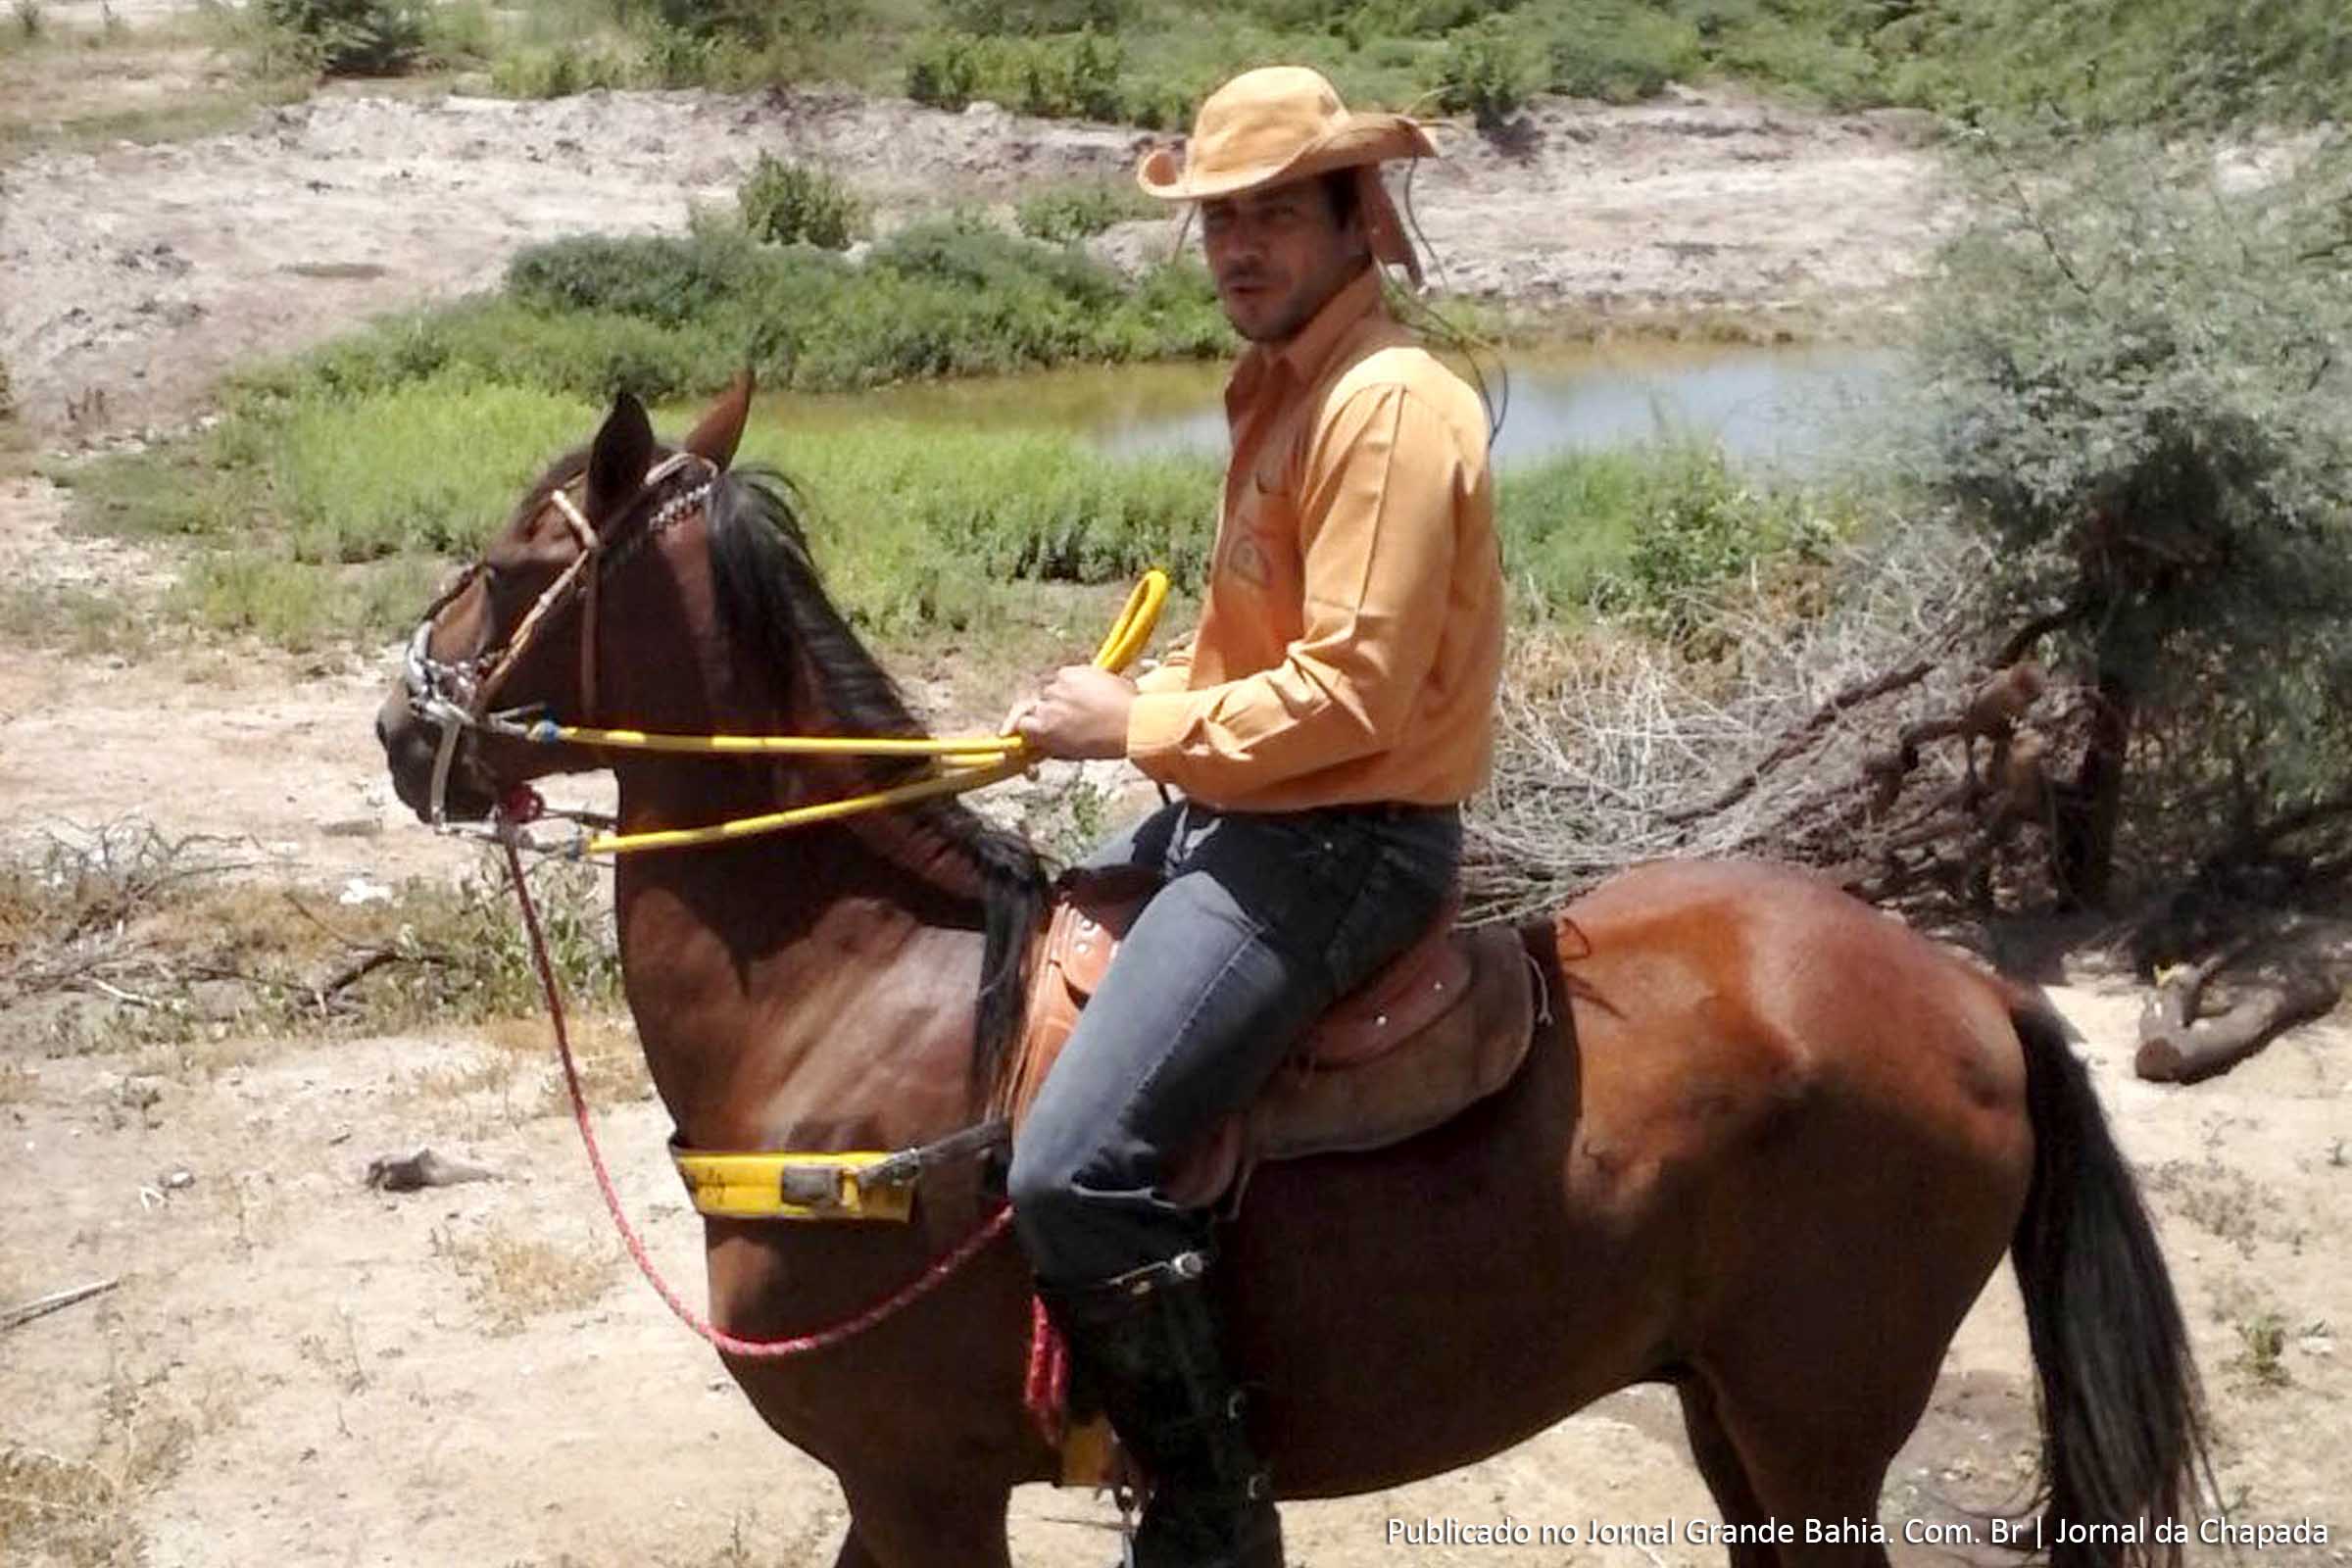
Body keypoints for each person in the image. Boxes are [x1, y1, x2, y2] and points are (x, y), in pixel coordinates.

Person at [1001, 63, 1505, 1568]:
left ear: (1358, 216)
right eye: (1220, 219)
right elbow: (1287, 652)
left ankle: (1216, 1517)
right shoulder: (1286, 389)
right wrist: (1154, 700)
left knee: (1069, 1169)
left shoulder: (1388, 405)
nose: (1238, 248)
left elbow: (1352, 695)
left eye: (1275, 214)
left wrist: (1134, 725)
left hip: (1338, 844)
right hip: (1254, 813)